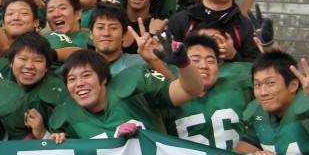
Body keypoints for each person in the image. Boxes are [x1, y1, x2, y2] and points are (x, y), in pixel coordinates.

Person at [46, 37, 203, 140]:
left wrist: (184, 64)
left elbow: (190, 90)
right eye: (72, 79)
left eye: (86, 75)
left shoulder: (135, 84)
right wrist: (59, 142)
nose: (79, 83)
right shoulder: (66, 118)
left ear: (104, 78)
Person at [163, 33, 252, 150]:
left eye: (210, 61)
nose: (203, 66)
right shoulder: (167, 96)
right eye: (195, 60)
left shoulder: (240, 88)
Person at [168, 0, 260, 62]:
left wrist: (233, 55)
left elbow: (254, 64)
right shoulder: (181, 19)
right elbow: (169, 56)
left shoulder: (244, 25)